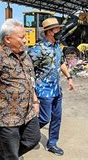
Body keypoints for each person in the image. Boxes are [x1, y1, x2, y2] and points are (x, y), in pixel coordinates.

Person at [0, 19, 40, 160]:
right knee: (11, 155)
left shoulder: (25, 56)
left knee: (34, 139)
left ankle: (5, 156)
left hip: (28, 114)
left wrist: (35, 101)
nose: (25, 40)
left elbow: (30, 81)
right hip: (7, 120)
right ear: (8, 39)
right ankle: (8, 156)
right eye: (22, 37)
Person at [28, 18, 75, 156]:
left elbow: (61, 64)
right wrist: (32, 92)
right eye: (57, 29)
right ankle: (26, 134)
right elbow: (28, 69)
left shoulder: (57, 47)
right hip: (43, 89)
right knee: (44, 118)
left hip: (56, 90)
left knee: (56, 118)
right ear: (49, 32)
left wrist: (69, 78)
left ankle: (52, 144)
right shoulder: (38, 49)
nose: (59, 31)